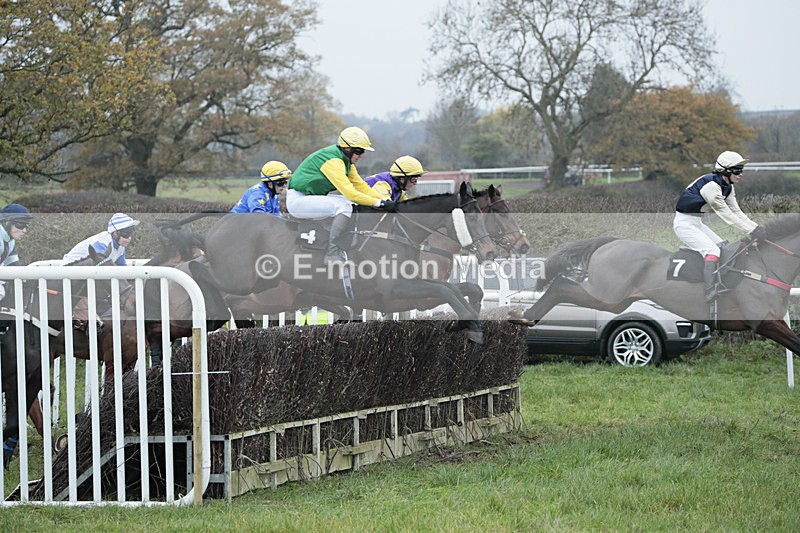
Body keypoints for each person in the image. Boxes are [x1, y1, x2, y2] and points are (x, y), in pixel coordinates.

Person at [287, 126, 395, 264]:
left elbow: (361, 186)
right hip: (298, 201)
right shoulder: (334, 162)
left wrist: (385, 199)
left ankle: (347, 240)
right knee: (345, 207)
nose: (362, 155)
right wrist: (378, 203)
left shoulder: (345, 161)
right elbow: (351, 194)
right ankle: (332, 253)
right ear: (347, 149)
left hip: (309, 197)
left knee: (351, 205)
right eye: (359, 151)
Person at [674, 150, 765, 308]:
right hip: (684, 224)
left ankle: (720, 283)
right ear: (727, 171)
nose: (741, 174)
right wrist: (751, 231)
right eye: (738, 170)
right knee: (713, 252)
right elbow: (727, 216)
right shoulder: (711, 187)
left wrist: (755, 227)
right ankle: (708, 291)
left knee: (723, 247)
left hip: (697, 223)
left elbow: (737, 212)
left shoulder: (728, 186)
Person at [63, 212, 140, 266]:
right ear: (115, 233)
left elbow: (122, 269)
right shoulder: (102, 243)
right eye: (126, 235)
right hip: (68, 270)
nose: (129, 238)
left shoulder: (121, 247)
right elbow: (101, 268)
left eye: (130, 234)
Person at [0, 203, 32, 303]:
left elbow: (14, 267)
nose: (24, 231)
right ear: (6, 222)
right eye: (20, 225)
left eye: (26, 226)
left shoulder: (10, 240)